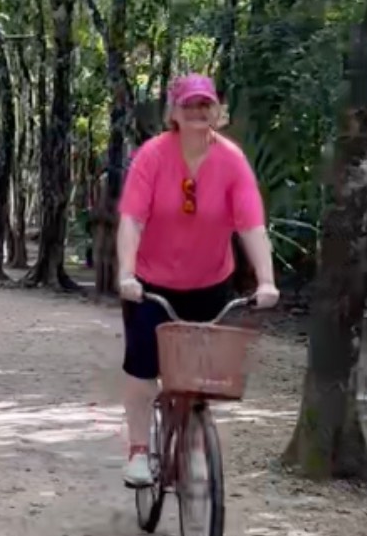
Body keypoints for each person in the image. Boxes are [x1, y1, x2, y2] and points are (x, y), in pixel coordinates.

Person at [116, 74, 279, 487]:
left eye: (205, 105)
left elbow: (251, 225)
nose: (197, 112)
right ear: (174, 112)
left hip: (209, 283)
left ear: (217, 111)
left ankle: (190, 443)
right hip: (151, 284)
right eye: (189, 105)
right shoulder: (152, 156)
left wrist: (266, 281)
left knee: (200, 376)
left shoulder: (232, 160)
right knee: (142, 366)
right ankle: (138, 450)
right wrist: (126, 273)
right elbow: (132, 219)